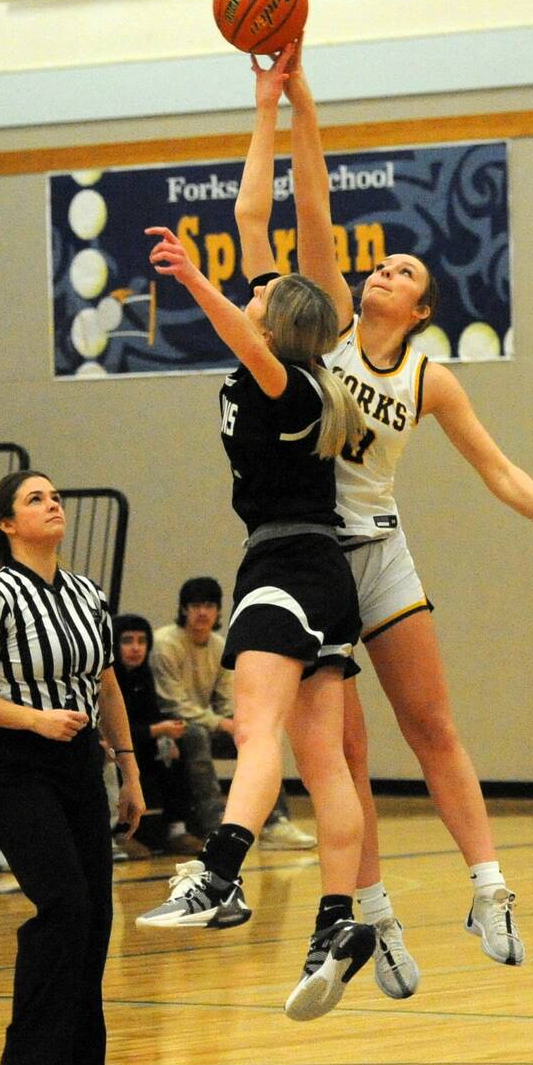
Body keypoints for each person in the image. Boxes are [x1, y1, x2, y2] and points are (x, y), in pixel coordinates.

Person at [244, 42, 533, 982]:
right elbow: (313, 198)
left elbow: (496, 469)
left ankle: (488, 884)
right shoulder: (320, 326)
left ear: (421, 306)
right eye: (380, 266)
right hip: (312, 556)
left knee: (432, 726)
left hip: (381, 550)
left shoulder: (429, 375)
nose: (382, 272)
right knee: (345, 750)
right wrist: (299, 102)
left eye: (402, 271)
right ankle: (372, 912)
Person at [134, 221, 382, 1024]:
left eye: (260, 298)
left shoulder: (294, 384)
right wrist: (272, 110)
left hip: (284, 567)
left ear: (277, 328)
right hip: (323, 576)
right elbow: (252, 221)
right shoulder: (296, 380)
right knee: (324, 760)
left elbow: (238, 325)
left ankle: (219, 873)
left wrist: (191, 279)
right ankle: (338, 920)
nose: (251, 294)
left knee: (255, 729)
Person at [0, 470, 144, 1065]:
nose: (53, 502)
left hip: (80, 763)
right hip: (16, 765)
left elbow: (107, 685)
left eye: (56, 494)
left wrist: (130, 771)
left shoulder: (87, 593)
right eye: (35, 498)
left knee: (96, 918)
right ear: (6, 523)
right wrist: (33, 718)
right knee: (64, 904)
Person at [153, 575, 312, 850]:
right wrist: (221, 723)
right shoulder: (165, 643)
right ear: (183, 610)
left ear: (218, 611)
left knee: (259, 737)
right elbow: (174, 704)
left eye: (209, 605)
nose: (203, 612)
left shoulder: (219, 645)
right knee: (196, 735)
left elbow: (227, 699)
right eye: (195, 606)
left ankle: (275, 823)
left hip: (206, 725)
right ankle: (215, 825)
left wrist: (240, 724)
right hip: (167, 728)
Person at [114, 614, 184, 853]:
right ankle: (118, 835)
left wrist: (165, 737)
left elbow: (152, 715)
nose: (135, 648)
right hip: (114, 746)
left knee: (172, 752)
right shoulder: (109, 677)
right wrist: (157, 730)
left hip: (140, 743)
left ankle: (176, 829)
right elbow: (113, 729)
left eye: (142, 641)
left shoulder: (144, 674)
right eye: (127, 641)